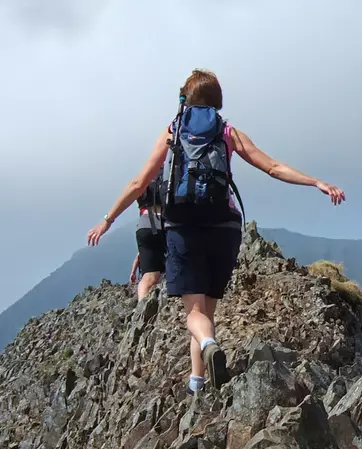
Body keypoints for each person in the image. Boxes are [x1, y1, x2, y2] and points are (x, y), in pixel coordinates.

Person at [87, 69, 345, 394]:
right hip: (225, 227)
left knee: (194, 314)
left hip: (184, 227)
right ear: (217, 100)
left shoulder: (172, 132)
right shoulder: (228, 132)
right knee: (208, 308)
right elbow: (273, 167)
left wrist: (108, 219)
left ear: (185, 98)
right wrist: (316, 182)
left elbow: (139, 183)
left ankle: (208, 344)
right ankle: (199, 382)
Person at [131, 177, 166, 300]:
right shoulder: (168, 176)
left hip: (144, 225)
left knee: (149, 275)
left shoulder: (145, 179)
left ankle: (142, 307)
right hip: (162, 222)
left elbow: (142, 253)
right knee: (156, 276)